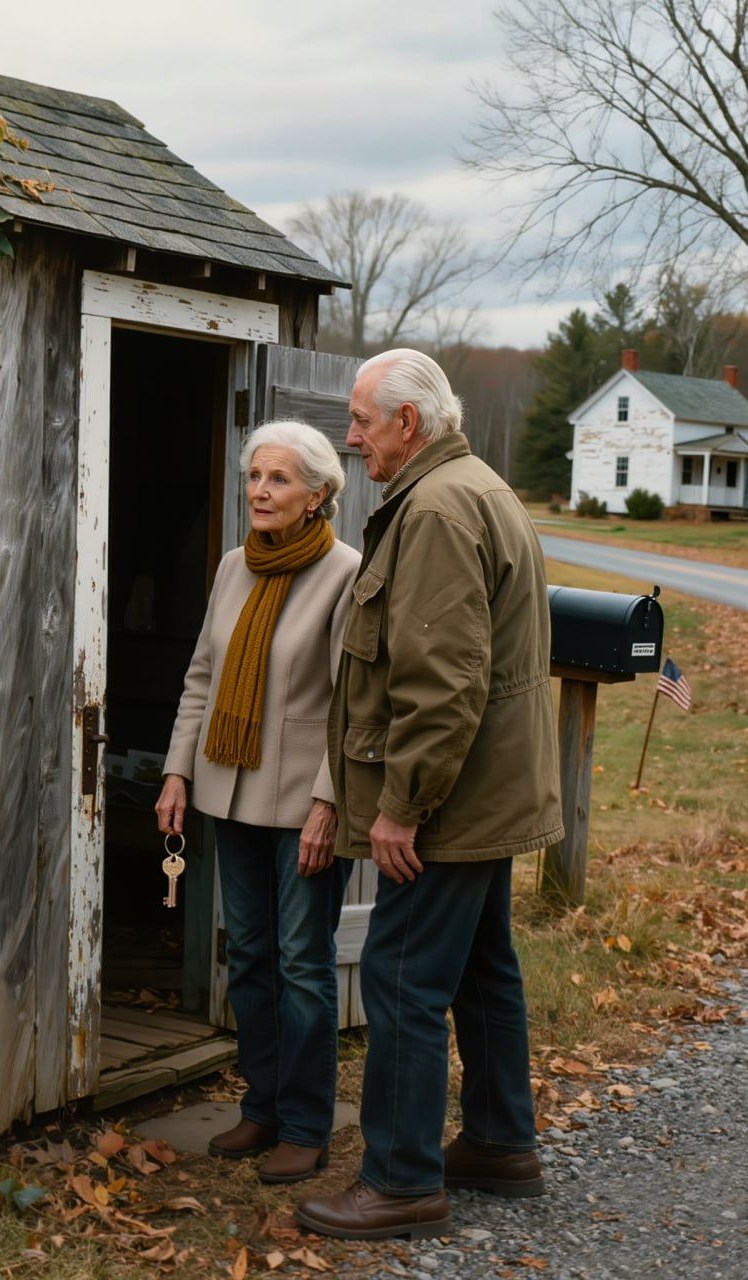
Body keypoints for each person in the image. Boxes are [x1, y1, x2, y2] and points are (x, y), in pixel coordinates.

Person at [295, 350, 563, 1241]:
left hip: (451, 802)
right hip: (485, 792)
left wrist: (403, 805)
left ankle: (402, 1182)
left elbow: (443, 683)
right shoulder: (472, 488)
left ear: (408, 424)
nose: (351, 437)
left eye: (362, 420)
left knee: (402, 976)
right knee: (483, 969)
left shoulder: (439, 510)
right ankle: (499, 1143)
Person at [155, 420, 360, 1185]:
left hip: (305, 805)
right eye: (254, 477)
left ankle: (306, 1126)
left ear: (317, 495)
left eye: (278, 479)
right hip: (226, 788)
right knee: (248, 955)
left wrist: (329, 803)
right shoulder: (233, 566)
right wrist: (177, 773)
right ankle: (263, 1107)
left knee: (303, 965)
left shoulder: (346, 574)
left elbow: (353, 704)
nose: (260, 491)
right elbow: (203, 676)